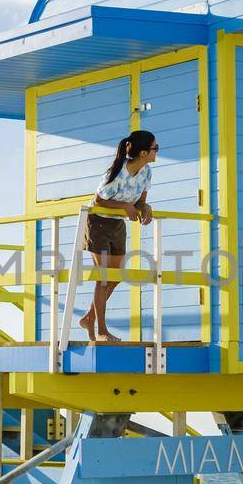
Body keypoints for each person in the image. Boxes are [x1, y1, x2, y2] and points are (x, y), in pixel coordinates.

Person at [79, 130, 157, 341]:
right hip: (98, 222)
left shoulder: (147, 171)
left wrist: (145, 206)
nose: (157, 152)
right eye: (154, 148)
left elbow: (140, 200)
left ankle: (88, 317)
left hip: (117, 224)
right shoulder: (116, 173)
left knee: (117, 275)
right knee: (104, 277)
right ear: (142, 152)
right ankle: (100, 330)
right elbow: (98, 201)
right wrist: (123, 205)